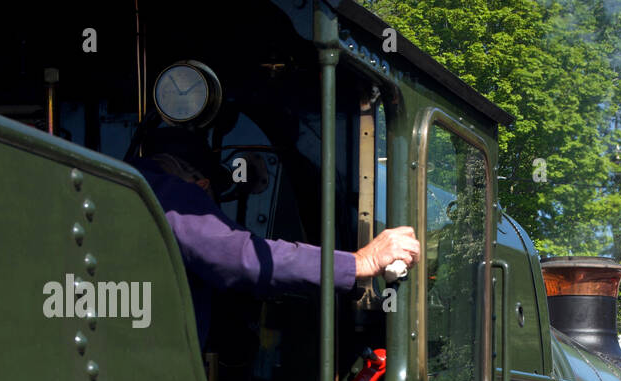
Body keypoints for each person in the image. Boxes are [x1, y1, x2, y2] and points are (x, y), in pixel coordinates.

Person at [130, 126, 420, 348]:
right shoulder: (172, 193)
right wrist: (359, 261)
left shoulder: (112, 187)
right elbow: (241, 258)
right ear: (202, 184)